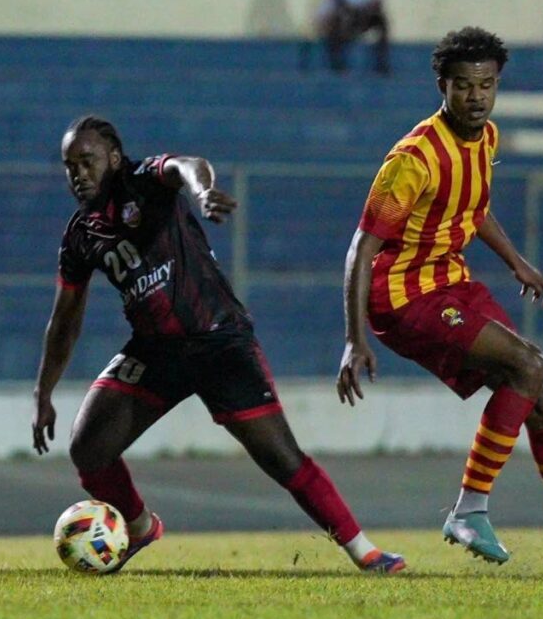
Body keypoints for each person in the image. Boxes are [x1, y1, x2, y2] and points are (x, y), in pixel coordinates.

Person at [32, 115, 405, 574]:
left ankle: (365, 552)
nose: (78, 174)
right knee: (88, 447)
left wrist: (203, 190)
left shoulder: (142, 180)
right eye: (70, 166)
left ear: (112, 157)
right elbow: (65, 319)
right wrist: (43, 392)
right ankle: (140, 526)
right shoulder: (79, 235)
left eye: (86, 162)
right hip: (155, 352)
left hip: (219, 340)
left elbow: (187, 165)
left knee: (281, 458)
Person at [336, 27, 543, 579]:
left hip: (451, 283)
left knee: (536, 397)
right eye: (463, 86)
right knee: (529, 364)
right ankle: (469, 510)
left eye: (486, 85)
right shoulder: (413, 158)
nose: (476, 97)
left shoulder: (487, 137)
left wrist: (516, 262)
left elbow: (471, 209)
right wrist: (355, 339)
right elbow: (362, 246)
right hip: (404, 295)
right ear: (442, 86)